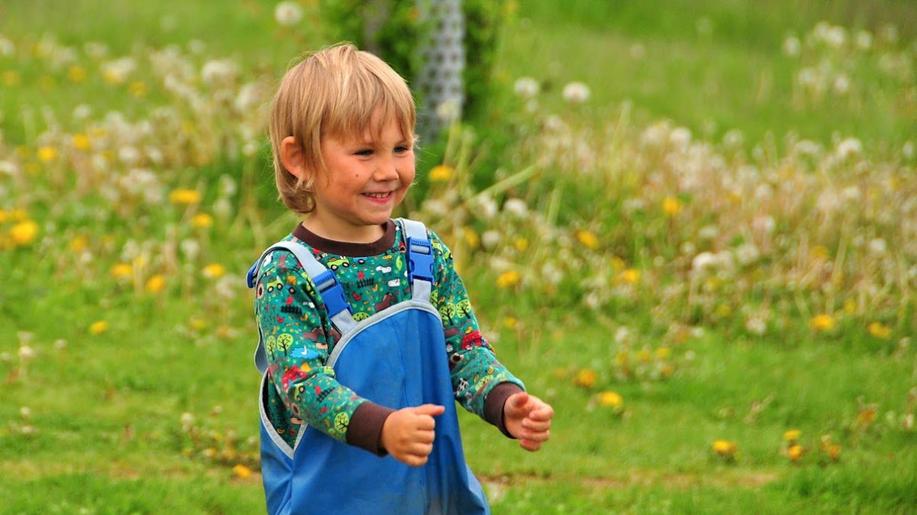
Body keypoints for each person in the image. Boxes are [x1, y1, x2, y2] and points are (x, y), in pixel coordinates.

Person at [247, 43, 553, 515]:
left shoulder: (422, 254)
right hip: (329, 501)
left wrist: (504, 400)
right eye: (365, 152)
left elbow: (464, 350)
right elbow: (301, 383)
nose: (388, 171)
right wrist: (383, 428)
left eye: (401, 148)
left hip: (429, 498)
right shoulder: (288, 272)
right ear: (300, 159)